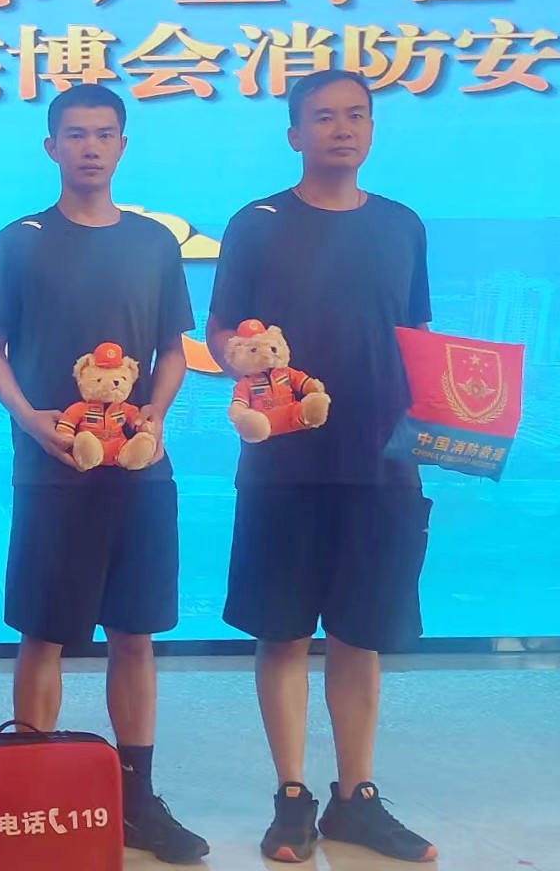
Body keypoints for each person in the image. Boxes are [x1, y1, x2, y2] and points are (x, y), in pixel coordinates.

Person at [207, 69, 439, 864]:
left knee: (358, 636)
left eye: (356, 116)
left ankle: (355, 798)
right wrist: (241, 362)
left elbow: (418, 338)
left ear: (370, 129)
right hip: (283, 463)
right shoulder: (256, 224)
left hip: (381, 463)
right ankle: (291, 797)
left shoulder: (401, 224)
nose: (342, 129)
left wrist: (449, 421)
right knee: (281, 634)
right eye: (324, 117)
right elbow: (219, 331)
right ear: (293, 134)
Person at [0, 83, 209, 864]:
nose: (89, 147)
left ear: (122, 145)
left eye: (104, 134)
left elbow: (173, 351)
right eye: (74, 134)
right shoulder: (20, 240)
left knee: (134, 635)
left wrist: (156, 415)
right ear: (51, 147)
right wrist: (28, 418)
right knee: (43, 633)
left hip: (139, 471)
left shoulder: (152, 242)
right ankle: (31, 796)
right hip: (51, 469)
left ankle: (136, 799)